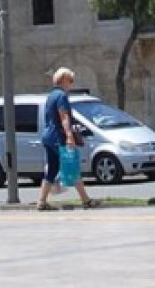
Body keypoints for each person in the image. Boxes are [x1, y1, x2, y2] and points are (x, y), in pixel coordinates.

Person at [36, 67, 100, 210]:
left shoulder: (51, 96)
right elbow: (64, 117)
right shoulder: (61, 96)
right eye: (70, 80)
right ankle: (86, 200)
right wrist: (70, 136)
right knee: (72, 166)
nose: (71, 83)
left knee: (52, 169)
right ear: (63, 80)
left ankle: (41, 201)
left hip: (48, 136)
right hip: (59, 137)